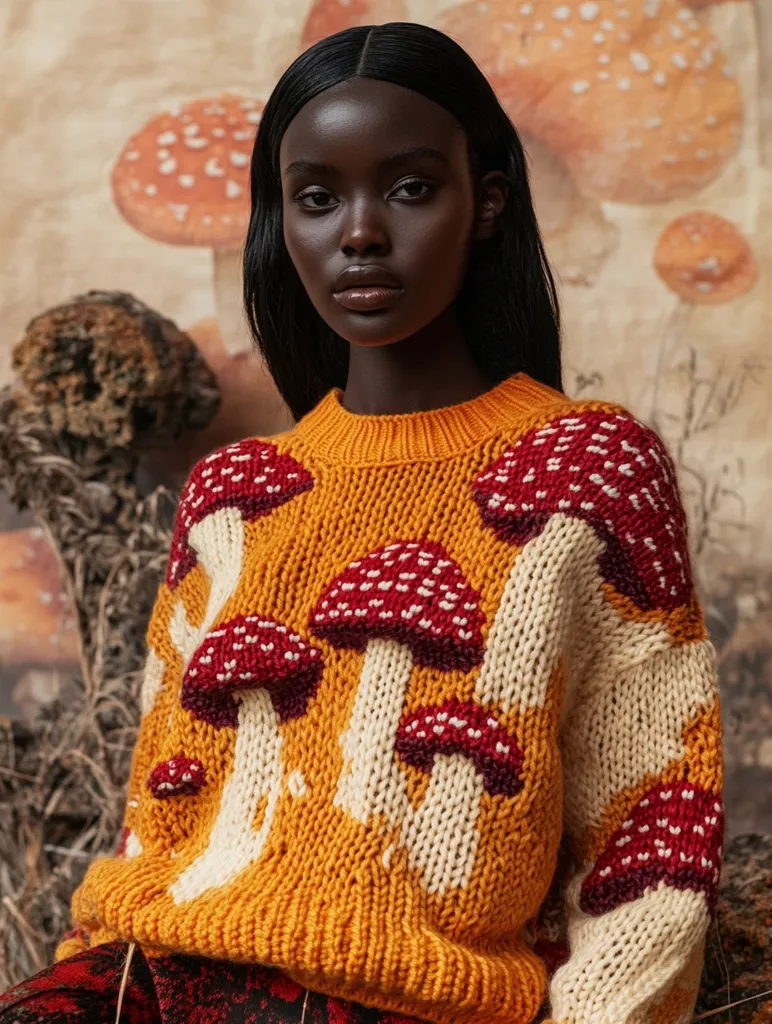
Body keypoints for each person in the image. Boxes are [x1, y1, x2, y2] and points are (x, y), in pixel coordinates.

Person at [0, 21, 723, 1024]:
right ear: (279, 222)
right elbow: (159, 816)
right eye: (315, 196)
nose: (359, 231)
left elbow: (653, 818)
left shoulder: (586, 468)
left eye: (412, 187)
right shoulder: (233, 491)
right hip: (150, 971)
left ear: (488, 204)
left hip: (406, 997)